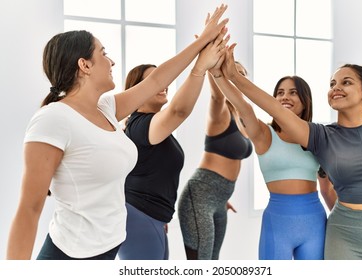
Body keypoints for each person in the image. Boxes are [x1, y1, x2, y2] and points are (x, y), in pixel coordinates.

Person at [6, 4, 229, 260]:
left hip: (108, 250)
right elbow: (29, 209)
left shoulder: (106, 108)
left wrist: (201, 49)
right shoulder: (53, 119)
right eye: (103, 54)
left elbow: (156, 81)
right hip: (70, 257)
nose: (111, 61)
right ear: (85, 65)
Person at [221, 44, 362, 260]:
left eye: (346, 82)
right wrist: (231, 76)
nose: (336, 88)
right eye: (332, 84)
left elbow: (327, 192)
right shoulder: (321, 136)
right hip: (344, 231)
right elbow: (273, 110)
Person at [207, 55, 336, 259]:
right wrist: (218, 74)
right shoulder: (263, 133)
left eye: (293, 93)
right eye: (280, 93)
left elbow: (327, 189)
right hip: (277, 224)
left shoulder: (316, 136)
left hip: (315, 223)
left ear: (306, 100)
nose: (285, 97)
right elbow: (244, 107)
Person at [117, 27, 230, 260]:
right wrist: (199, 67)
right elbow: (179, 110)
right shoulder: (140, 126)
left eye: (165, 78)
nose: (164, 83)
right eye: (153, 80)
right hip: (140, 218)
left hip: (151, 219)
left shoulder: (147, 125)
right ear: (136, 90)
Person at [177, 61, 252, 260]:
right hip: (200, 197)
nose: (237, 79)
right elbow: (216, 94)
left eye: (241, 75)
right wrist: (214, 63)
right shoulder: (220, 112)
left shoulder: (241, 117)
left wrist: (222, 197)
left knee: (214, 261)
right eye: (231, 74)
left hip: (220, 200)